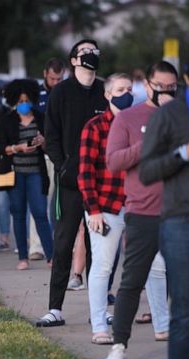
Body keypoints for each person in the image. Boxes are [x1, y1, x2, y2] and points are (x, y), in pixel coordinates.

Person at [102, 60, 177, 359]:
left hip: (181, 214)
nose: (167, 93)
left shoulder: (185, 116)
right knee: (131, 283)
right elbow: (114, 161)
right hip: (143, 213)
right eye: (161, 87)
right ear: (147, 86)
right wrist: (146, 145)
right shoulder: (129, 119)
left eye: (173, 88)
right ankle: (118, 348)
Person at [139, 50, 189, 359]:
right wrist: (183, 153)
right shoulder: (169, 115)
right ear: (188, 81)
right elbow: (147, 171)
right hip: (182, 225)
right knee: (186, 315)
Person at [36, 38, 108, 327]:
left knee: (99, 246)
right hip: (71, 181)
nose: (91, 55)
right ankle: (55, 308)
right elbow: (50, 134)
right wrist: (64, 166)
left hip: (102, 182)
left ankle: (99, 309)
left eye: (95, 51)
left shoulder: (105, 91)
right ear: (74, 60)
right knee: (64, 242)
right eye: (85, 52)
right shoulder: (61, 93)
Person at [78, 73, 133, 344]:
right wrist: (94, 210)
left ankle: (163, 323)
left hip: (136, 204)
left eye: (130, 89)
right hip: (105, 206)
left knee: (156, 267)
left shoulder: (137, 123)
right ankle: (99, 326)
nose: (127, 94)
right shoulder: (95, 126)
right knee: (102, 267)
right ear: (108, 94)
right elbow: (85, 172)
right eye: (120, 89)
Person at [0, 79, 53, 270]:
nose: (23, 104)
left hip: (36, 171)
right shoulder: (6, 120)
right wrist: (17, 148)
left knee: (39, 212)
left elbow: (50, 145)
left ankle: (51, 255)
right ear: (13, 101)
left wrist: (43, 141)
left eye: (26, 100)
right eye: (19, 101)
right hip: (15, 173)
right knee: (18, 213)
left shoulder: (41, 117)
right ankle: (22, 256)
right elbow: (2, 148)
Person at [28, 57, 65, 261]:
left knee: (62, 204)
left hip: (62, 155)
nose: (56, 83)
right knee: (40, 202)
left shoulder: (68, 93)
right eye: (52, 78)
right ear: (45, 74)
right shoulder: (36, 96)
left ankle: (60, 244)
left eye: (60, 78)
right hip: (41, 156)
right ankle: (37, 246)